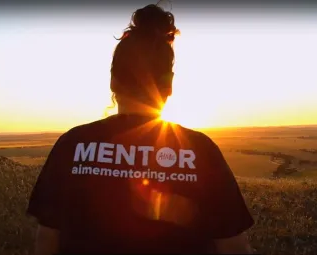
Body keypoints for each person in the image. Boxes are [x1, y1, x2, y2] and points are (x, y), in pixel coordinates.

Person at [27, 3, 255, 254]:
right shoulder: (200, 150)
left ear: (113, 81)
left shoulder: (72, 145)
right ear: (169, 85)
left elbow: (47, 239)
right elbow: (234, 246)